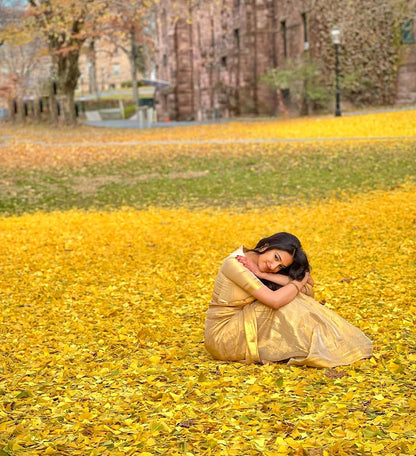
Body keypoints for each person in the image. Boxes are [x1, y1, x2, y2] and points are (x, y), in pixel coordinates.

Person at [204, 232, 372, 367]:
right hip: (223, 334)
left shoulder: (262, 269)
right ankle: (329, 349)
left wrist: (262, 274)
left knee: (292, 297)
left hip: (243, 322)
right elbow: (275, 300)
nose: (273, 267)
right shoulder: (235, 264)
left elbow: (308, 292)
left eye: (280, 267)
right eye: (276, 258)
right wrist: (299, 281)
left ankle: (337, 346)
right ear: (265, 246)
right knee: (284, 302)